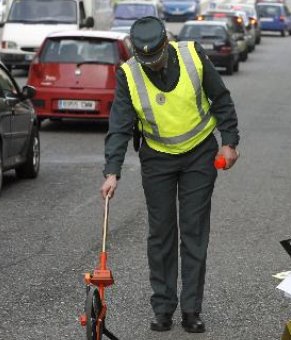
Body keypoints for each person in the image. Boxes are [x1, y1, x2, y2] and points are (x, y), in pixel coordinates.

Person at [101, 16, 240, 334]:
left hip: (199, 154)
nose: (151, 63)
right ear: (136, 53)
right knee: (161, 234)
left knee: (194, 232)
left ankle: (191, 309)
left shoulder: (193, 55)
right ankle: (163, 308)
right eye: (144, 59)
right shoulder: (129, 74)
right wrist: (112, 171)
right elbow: (119, 124)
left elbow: (221, 98)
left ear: (167, 43)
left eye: (156, 56)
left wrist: (229, 141)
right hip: (157, 158)